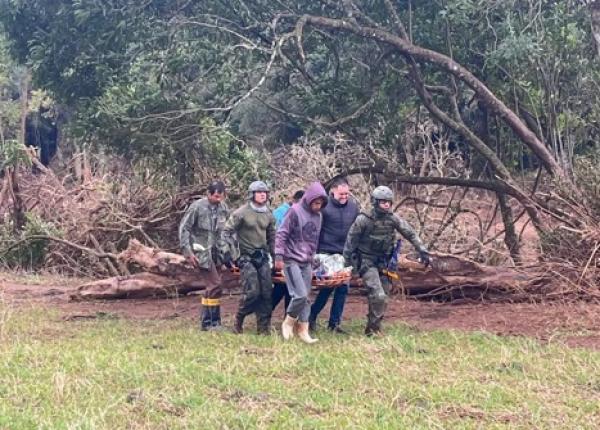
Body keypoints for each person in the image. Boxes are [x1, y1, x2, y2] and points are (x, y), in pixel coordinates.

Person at [343, 185, 430, 336]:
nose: (387, 205)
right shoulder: (363, 219)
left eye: (389, 202)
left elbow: (410, 233)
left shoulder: (392, 218)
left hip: (385, 262)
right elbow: (350, 242)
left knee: (384, 296)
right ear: (375, 202)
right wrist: (346, 264)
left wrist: (422, 250)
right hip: (367, 262)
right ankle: (374, 329)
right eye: (383, 202)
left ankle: (373, 327)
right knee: (378, 295)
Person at [275, 182, 328, 344]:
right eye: (316, 203)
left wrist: (313, 260)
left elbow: (314, 240)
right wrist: (278, 256)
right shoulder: (294, 211)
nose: (318, 207)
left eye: (321, 204)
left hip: (307, 261)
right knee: (300, 294)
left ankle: (303, 330)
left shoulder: (319, 216)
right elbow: (281, 234)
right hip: (291, 259)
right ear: (309, 199)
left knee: (306, 297)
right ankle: (288, 323)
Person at [222, 181, 276, 335]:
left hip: (263, 256)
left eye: (265, 192)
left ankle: (263, 328)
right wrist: (230, 253)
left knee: (266, 292)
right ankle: (239, 319)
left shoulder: (269, 214)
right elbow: (226, 232)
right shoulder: (241, 213)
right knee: (252, 292)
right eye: (259, 192)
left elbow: (272, 237)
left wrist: (276, 257)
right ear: (251, 194)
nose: (262, 195)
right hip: (246, 257)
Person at [308, 178, 359, 334]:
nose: (344, 196)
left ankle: (334, 323)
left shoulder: (354, 207)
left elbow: (356, 230)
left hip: (344, 253)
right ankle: (311, 315)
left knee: (343, 288)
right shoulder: (324, 208)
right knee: (327, 288)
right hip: (326, 252)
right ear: (333, 192)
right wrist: (313, 254)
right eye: (341, 193)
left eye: (347, 193)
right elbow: (315, 231)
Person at [179, 180, 230, 331]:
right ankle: (211, 323)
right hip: (201, 252)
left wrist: (229, 252)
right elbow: (184, 228)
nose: (218, 199)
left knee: (212, 287)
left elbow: (226, 231)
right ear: (208, 194)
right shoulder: (197, 207)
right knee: (215, 285)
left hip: (217, 252)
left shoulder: (224, 208)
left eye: (220, 196)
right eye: (215, 196)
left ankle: (209, 322)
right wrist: (187, 252)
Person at [271, 190, 304, 313]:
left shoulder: (303, 213)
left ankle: (287, 317)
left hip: (296, 256)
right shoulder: (280, 213)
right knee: (282, 287)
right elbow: (276, 236)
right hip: (283, 255)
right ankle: (266, 315)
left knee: (289, 287)